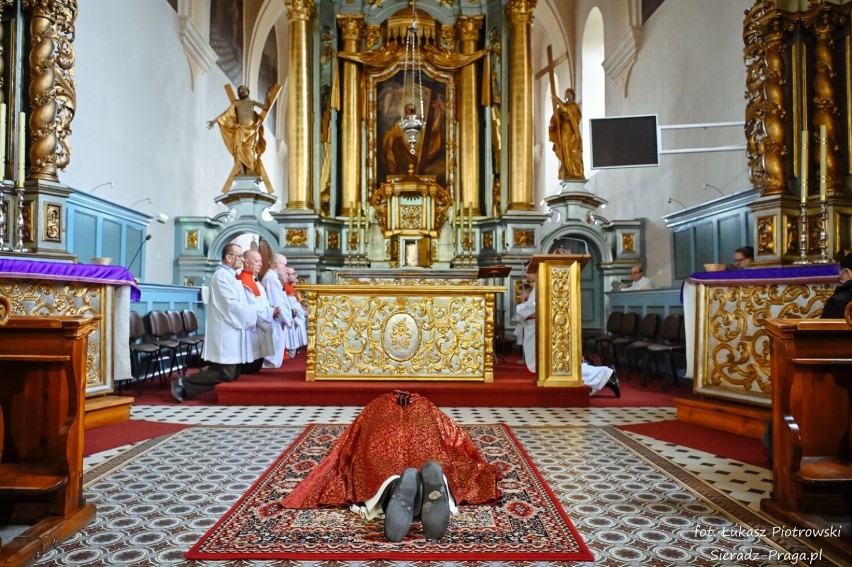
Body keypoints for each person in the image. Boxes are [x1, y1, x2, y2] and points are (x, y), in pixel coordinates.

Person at [282, 390, 501, 542]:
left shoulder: (374, 407)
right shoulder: (427, 406)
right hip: (423, 427)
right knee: (435, 453)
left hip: (380, 427)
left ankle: (394, 490)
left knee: (378, 461)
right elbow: (456, 440)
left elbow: (348, 446)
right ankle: (436, 486)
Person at [171, 244, 259, 402]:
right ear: (228, 258)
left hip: (231, 328)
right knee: (226, 372)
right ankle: (183, 384)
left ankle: (189, 382)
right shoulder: (222, 276)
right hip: (225, 330)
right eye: (238, 256)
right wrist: (253, 314)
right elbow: (230, 304)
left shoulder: (231, 276)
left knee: (232, 371)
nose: (242, 259)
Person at [517, 263, 620, 396]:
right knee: (553, 366)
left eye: (527, 270)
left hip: (542, 330)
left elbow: (534, 307)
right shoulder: (538, 285)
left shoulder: (543, 284)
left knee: (557, 366)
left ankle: (605, 374)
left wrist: (519, 309)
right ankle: (604, 375)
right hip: (537, 328)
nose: (526, 273)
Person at [207, 85, 270, 177]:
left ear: (248, 92)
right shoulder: (236, 103)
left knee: (250, 150)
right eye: (241, 90)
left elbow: (265, 107)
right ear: (239, 93)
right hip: (240, 130)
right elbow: (226, 114)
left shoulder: (252, 102)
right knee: (239, 149)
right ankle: (241, 171)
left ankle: (251, 170)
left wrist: (266, 95)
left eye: (245, 90)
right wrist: (214, 121)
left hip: (251, 130)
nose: (243, 91)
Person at [237, 250, 279, 374]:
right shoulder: (244, 282)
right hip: (253, 324)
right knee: (251, 364)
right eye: (257, 261)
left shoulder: (255, 281)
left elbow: (262, 302)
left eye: (261, 261)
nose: (260, 264)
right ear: (247, 262)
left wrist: (271, 310)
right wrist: (270, 312)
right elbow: (251, 305)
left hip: (261, 321)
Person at [261, 253, 292, 368]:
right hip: (274, 319)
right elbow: (277, 303)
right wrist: (287, 319)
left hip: (276, 319)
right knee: (274, 344)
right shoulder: (271, 278)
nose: (286, 268)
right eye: (285, 265)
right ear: (278, 264)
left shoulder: (272, 278)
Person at [548, 87, 584, 180]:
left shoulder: (573, 106)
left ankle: (574, 172)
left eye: (570, 94)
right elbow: (555, 118)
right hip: (563, 131)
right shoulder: (561, 107)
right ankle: (567, 172)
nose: (568, 95)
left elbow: (566, 109)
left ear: (573, 96)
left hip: (571, 132)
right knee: (564, 149)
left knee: (570, 149)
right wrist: (554, 123)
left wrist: (557, 100)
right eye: (567, 94)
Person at [283, 266, 308, 356]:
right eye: (293, 274)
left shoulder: (290, 287)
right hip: (292, 320)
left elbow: (296, 304)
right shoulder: (286, 288)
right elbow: (294, 308)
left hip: (294, 318)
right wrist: (305, 313)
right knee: (291, 351)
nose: (296, 276)